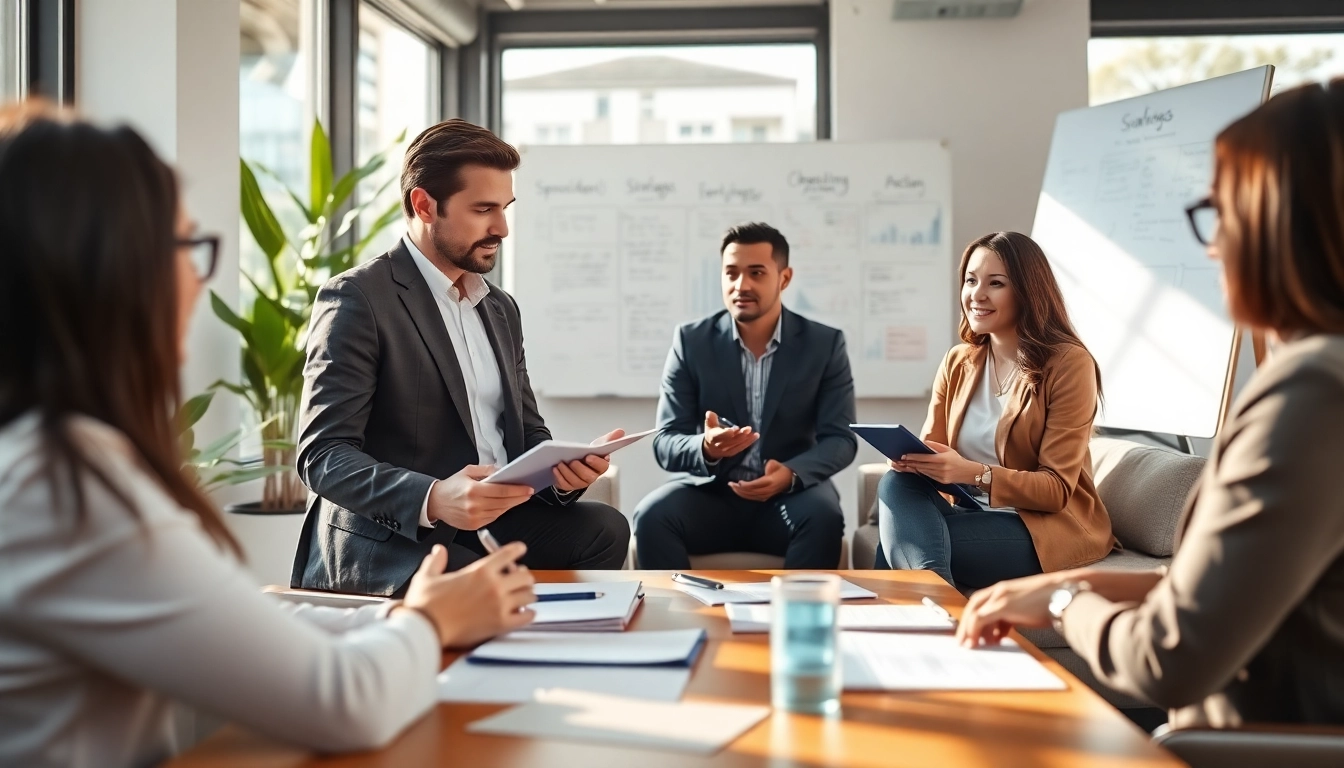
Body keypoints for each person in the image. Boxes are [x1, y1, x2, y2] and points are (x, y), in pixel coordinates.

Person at [0, 103, 537, 767]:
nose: (199, 282)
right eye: (187, 247)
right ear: (104, 271)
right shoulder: (63, 490)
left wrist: (401, 618)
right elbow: (345, 703)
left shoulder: (53, 464)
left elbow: (227, 619)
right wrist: (429, 620)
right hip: (393, 547)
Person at [957, 81, 1344, 729]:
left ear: (1282, 223)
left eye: (1222, 212)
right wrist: (1056, 589)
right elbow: (1220, 594)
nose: (1212, 245)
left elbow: (1170, 656)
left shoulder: (1312, 395)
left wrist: (1063, 606)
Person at [293, 119, 630, 596]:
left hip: (493, 517)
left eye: (505, 208)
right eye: (483, 209)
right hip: (402, 533)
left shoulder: (499, 308)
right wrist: (435, 497)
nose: (502, 228)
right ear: (424, 205)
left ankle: (551, 655)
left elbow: (527, 433)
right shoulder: (357, 299)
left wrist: (562, 475)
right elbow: (322, 455)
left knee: (604, 529)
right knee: (474, 584)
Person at [874, 231, 1114, 590]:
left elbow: (1056, 489)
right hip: (973, 513)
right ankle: (940, 613)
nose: (977, 294)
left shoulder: (1069, 364)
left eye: (995, 283)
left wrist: (974, 472)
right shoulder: (959, 361)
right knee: (896, 483)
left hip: (1041, 527)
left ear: (1027, 292)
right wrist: (915, 461)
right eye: (970, 280)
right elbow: (933, 449)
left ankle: (932, 616)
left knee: (898, 547)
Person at [633, 223, 856, 568]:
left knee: (823, 516)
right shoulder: (691, 342)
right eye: (731, 273)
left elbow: (840, 439)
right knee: (652, 516)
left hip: (790, 497)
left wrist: (791, 474)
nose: (742, 285)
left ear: (784, 278)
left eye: (756, 273)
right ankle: (677, 619)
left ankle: (796, 621)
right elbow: (665, 441)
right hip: (714, 496)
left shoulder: (824, 344)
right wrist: (705, 447)